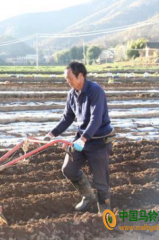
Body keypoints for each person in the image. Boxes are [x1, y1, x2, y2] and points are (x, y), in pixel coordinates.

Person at [44, 61, 115, 214]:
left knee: (101, 182)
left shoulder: (95, 91)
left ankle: (104, 215)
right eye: (66, 79)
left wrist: (83, 139)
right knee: (68, 169)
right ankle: (88, 196)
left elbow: (96, 119)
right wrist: (51, 134)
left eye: (69, 78)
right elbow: (67, 118)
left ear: (80, 75)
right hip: (82, 138)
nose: (67, 81)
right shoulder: (72, 94)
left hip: (99, 141)